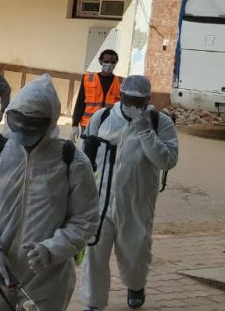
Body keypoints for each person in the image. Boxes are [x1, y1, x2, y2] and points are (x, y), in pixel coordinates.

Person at [0, 75, 99, 310]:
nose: (22, 130)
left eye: (31, 126)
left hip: (47, 278)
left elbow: (86, 218)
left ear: (50, 123)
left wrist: (53, 249)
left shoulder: (71, 161)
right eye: (18, 122)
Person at [79, 75, 179, 311]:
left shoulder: (160, 123)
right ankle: (93, 302)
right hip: (101, 201)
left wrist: (145, 132)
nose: (132, 105)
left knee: (135, 253)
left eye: (138, 101)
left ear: (147, 99)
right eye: (128, 99)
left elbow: (167, 160)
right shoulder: (102, 118)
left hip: (136, 202)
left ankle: (135, 285)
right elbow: (85, 158)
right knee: (94, 253)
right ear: (121, 95)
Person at [71, 50, 123, 141]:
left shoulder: (121, 82)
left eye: (112, 62)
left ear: (116, 63)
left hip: (110, 126)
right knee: (87, 149)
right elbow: (80, 102)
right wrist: (75, 125)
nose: (109, 64)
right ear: (100, 61)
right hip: (88, 124)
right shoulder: (88, 79)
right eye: (106, 61)